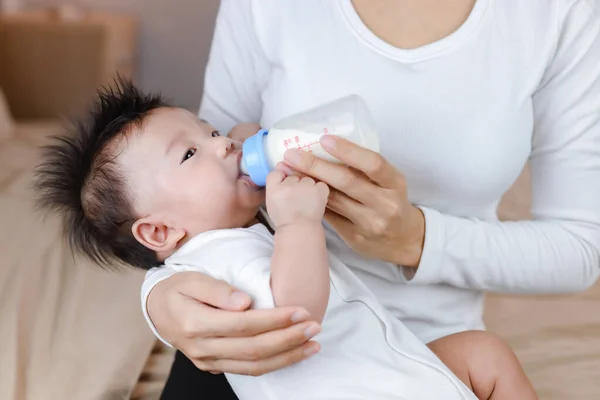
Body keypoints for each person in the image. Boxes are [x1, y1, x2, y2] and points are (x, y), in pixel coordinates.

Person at [145, 0, 600, 398]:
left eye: (218, 138)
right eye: (203, 143)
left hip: (428, 346)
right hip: (268, 356)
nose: (225, 144)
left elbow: (582, 247)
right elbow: (174, 199)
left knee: (488, 357)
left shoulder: (559, 14)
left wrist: (416, 240)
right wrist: (158, 299)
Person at [33, 81, 536, 399]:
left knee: (482, 354)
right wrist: (299, 225)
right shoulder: (212, 264)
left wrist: (256, 140)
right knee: (483, 358)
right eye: (189, 154)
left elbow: (243, 129)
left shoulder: (234, 229)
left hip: (390, 366)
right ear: (159, 231)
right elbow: (296, 313)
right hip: (356, 388)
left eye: (209, 132)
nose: (222, 144)